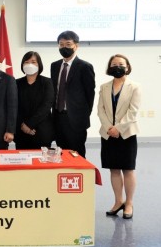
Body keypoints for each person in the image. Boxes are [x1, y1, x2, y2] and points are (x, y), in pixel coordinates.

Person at [98, 54, 141, 220]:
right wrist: (109, 127)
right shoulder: (104, 87)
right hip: (108, 134)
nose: (117, 66)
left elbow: (133, 111)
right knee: (114, 169)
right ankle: (118, 201)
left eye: (121, 64)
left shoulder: (135, 87)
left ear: (127, 67)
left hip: (127, 133)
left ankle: (129, 203)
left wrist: (118, 128)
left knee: (128, 169)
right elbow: (100, 110)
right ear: (109, 67)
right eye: (114, 64)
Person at [50, 30, 95, 157]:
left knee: (77, 154)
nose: (65, 47)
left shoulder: (85, 67)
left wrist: (82, 116)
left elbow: (89, 95)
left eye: (68, 44)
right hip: (58, 117)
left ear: (76, 45)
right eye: (61, 44)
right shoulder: (55, 66)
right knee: (61, 153)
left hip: (76, 120)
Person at [15, 51, 55, 149]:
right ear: (22, 65)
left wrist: (29, 124)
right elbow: (14, 107)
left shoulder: (47, 82)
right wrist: (23, 126)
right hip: (21, 132)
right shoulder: (16, 83)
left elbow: (46, 106)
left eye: (33, 62)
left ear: (39, 65)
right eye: (26, 62)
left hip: (42, 131)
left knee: (41, 162)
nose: (30, 64)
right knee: (22, 163)